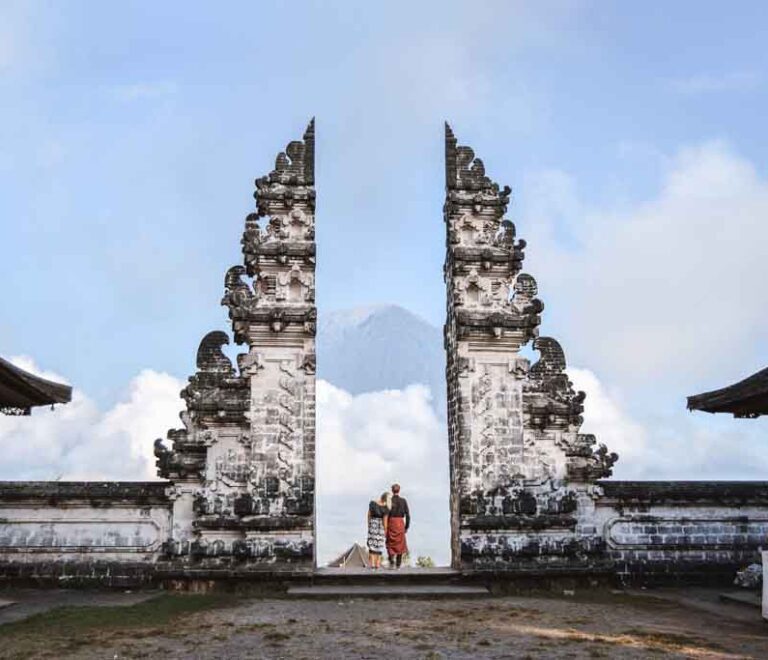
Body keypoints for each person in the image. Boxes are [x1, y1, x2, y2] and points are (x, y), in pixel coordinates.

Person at [386, 483, 410, 568]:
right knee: (400, 544)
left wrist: (385, 526)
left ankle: (391, 560)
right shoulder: (403, 501)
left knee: (390, 542)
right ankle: (398, 564)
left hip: (391, 523)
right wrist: (406, 527)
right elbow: (408, 515)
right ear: (399, 490)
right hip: (400, 523)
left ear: (392, 491)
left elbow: (386, 515)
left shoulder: (389, 501)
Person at [366, 492, 389, 569]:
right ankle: (377, 564)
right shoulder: (386, 508)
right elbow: (385, 522)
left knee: (372, 545)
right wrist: (386, 532)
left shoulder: (372, 503)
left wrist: (369, 525)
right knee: (379, 545)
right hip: (380, 527)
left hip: (373, 525)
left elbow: (368, 515)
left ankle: (372, 564)